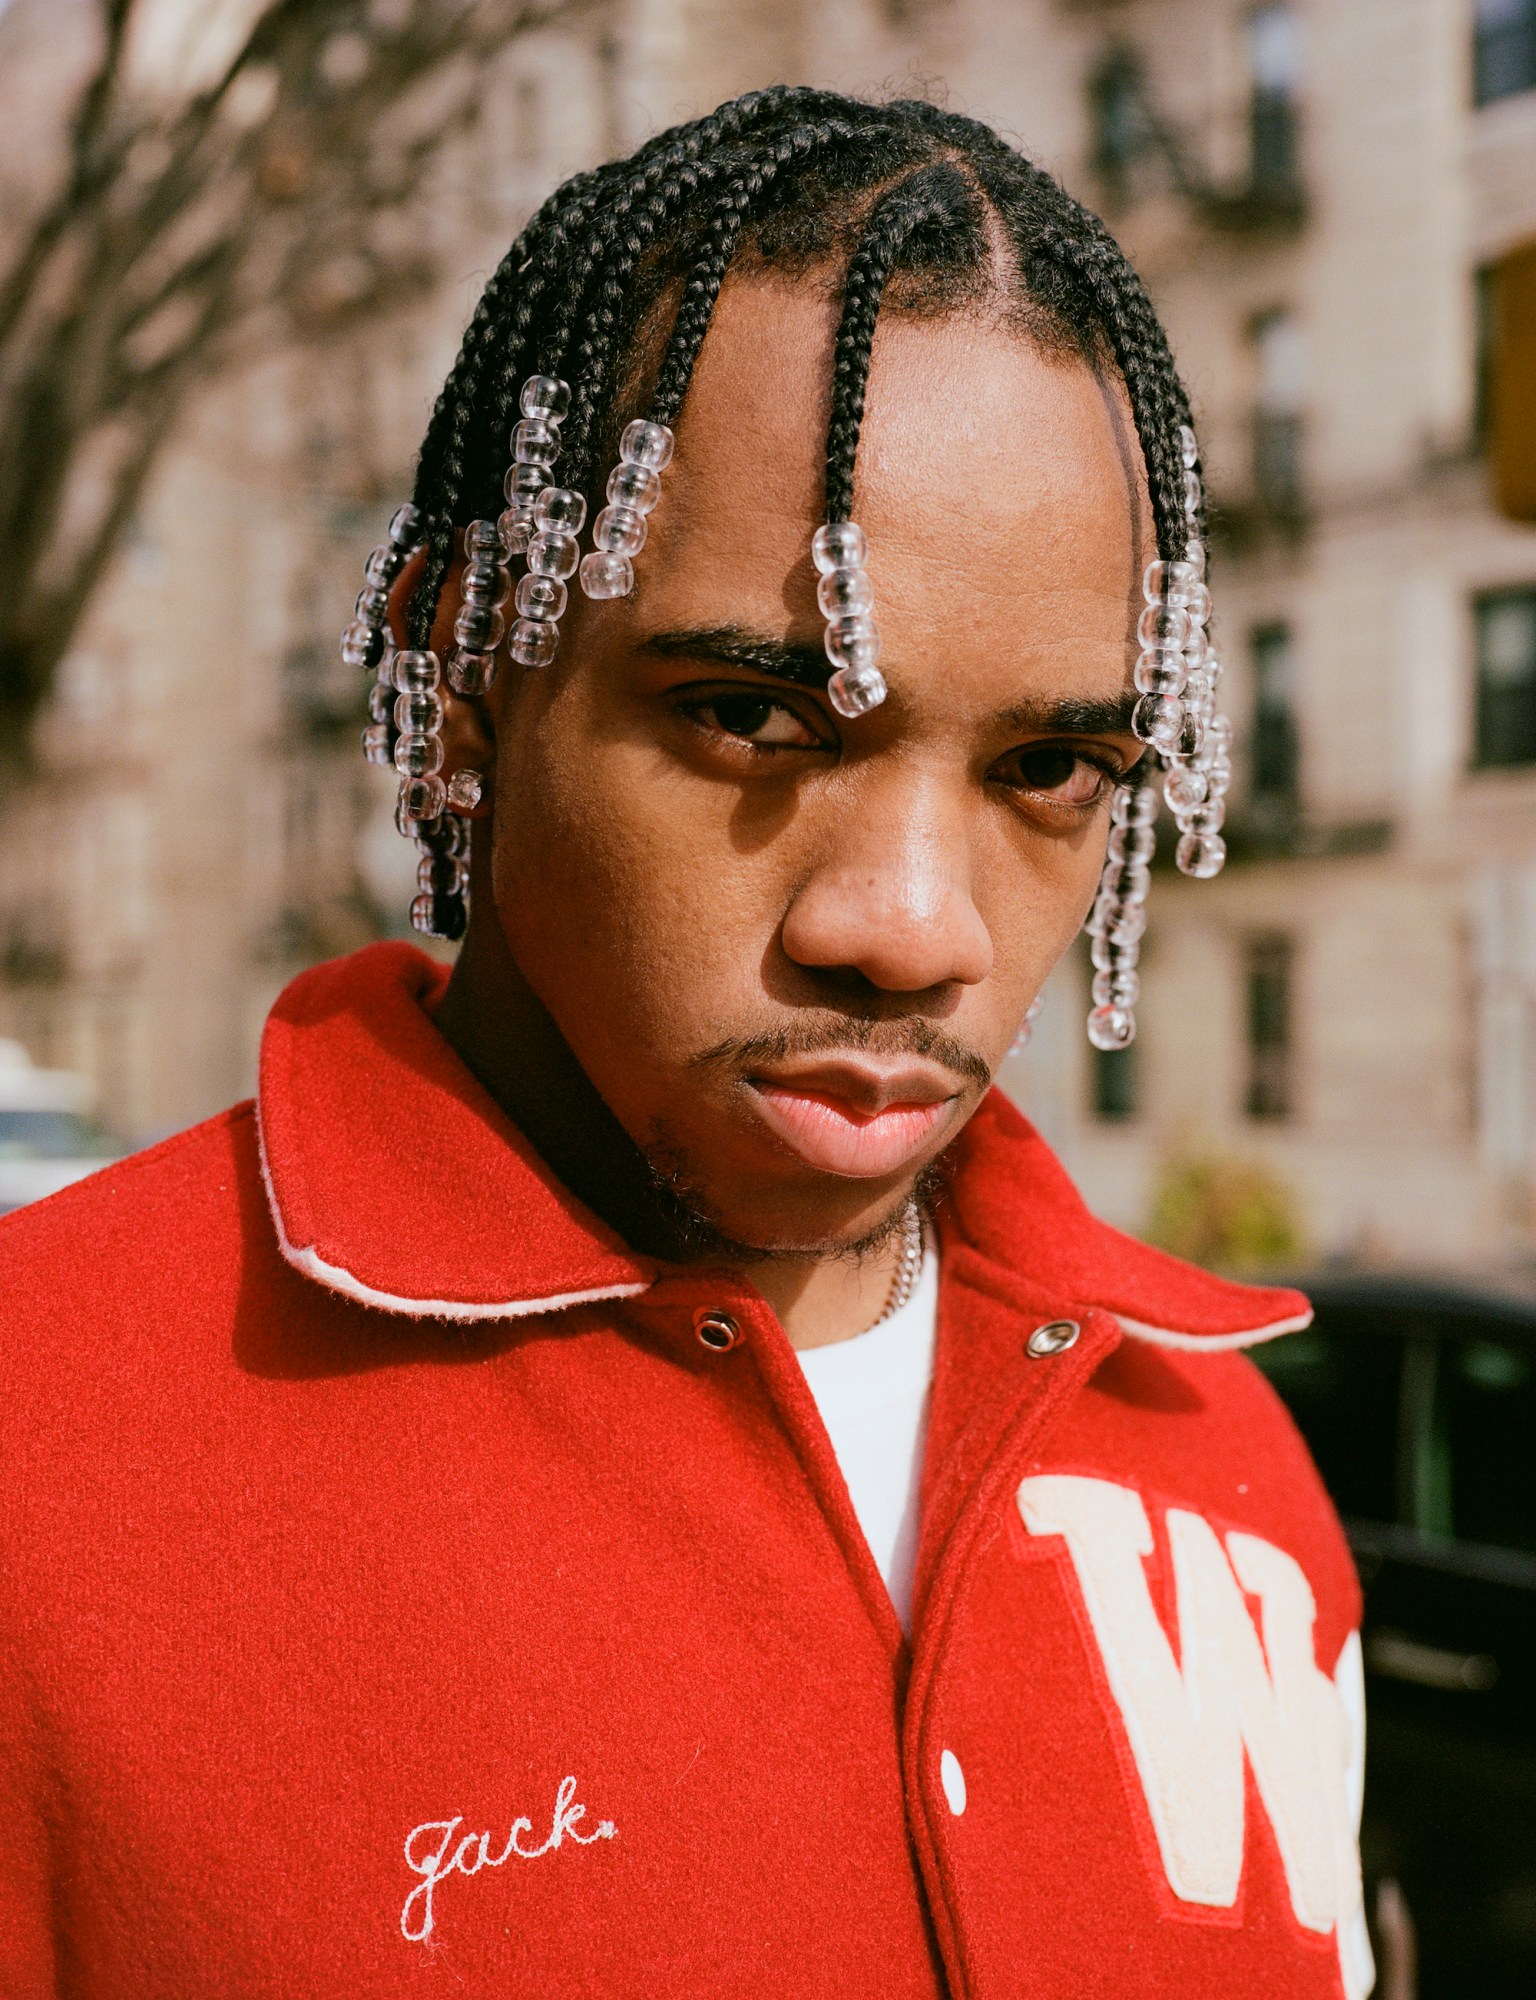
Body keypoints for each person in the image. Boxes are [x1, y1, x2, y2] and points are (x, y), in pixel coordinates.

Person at [0, 88, 1372, 1999]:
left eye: (1052, 768)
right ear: (469, 669)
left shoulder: (1224, 1454)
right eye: (752, 715)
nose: (911, 928)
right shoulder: (38, 1442)